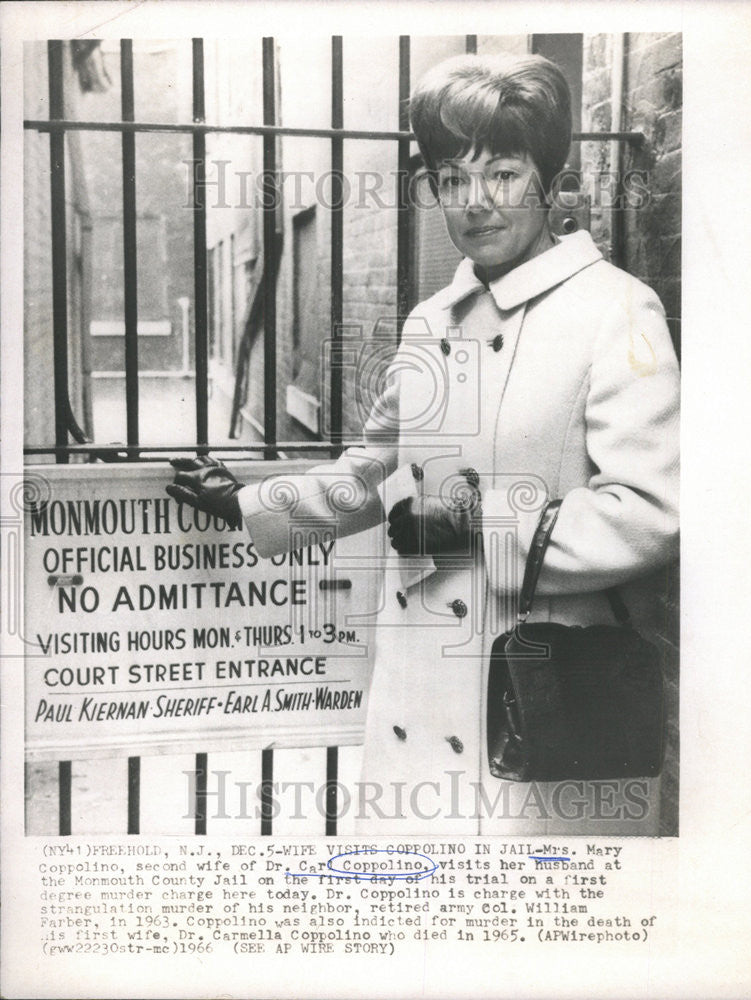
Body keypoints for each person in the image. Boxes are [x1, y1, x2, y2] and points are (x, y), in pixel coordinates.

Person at [167, 52, 680, 835]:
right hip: (416, 691)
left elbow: (652, 508)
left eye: (503, 172)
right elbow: (376, 468)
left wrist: (474, 524)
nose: (475, 203)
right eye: (451, 179)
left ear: (548, 178)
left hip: (530, 695)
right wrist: (249, 501)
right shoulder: (432, 320)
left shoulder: (615, 311)